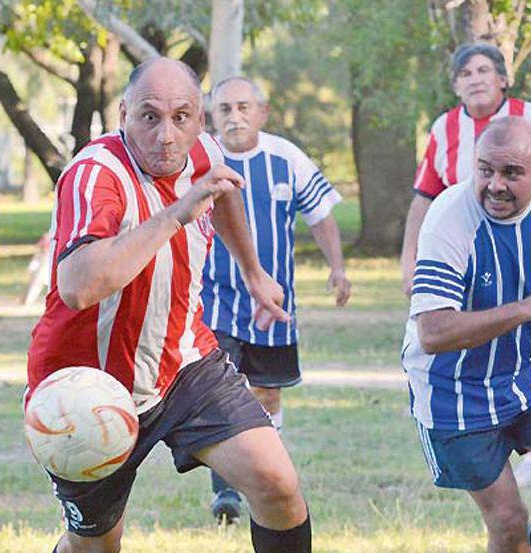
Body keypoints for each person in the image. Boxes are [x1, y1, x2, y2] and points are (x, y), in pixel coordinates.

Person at [26, 57, 312, 553]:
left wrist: (252, 271)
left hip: (183, 364)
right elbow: (78, 286)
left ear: (200, 119)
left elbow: (219, 191)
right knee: (94, 546)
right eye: (149, 116)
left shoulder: (202, 150)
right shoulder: (95, 175)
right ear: (122, 115)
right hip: (88, 386)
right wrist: (177, 213)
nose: (166, 135)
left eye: (182, 117)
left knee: (277, 486)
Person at [399, 43, 531, 486]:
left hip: (527, 359)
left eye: (512, 172)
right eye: (465, 72)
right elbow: (424, 198)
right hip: (455, 379)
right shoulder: (446, 142)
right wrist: (409, 261)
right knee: (508, 522)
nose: (496, 184)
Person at [200, 76, 351, 523]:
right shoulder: (203, 158)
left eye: (244, 107)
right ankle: (225, 490)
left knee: (266, 394)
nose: (235, 116)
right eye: (225, 108)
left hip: (273, 304)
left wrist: (337, 269)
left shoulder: (286, 158)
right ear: (213, 115)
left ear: (262, 113)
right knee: (220, 393)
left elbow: (321, 216)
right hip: (215, 302)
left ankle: (269, 478)